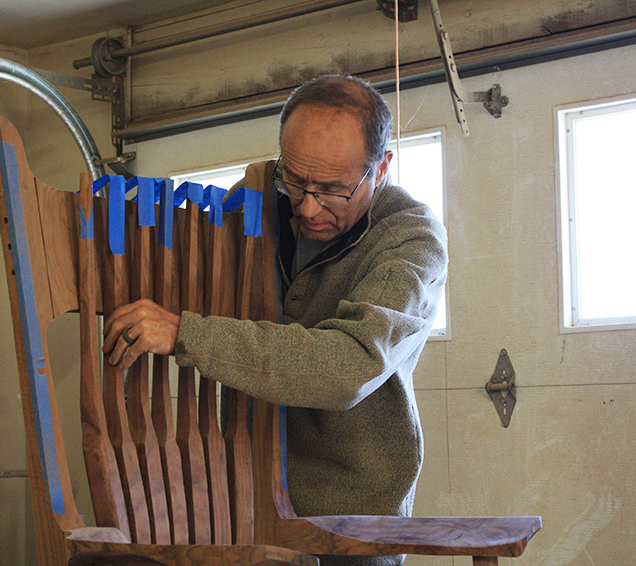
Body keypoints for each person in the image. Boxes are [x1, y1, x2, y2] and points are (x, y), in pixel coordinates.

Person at [102, 75, 448, 566]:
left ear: (381, 167)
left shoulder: (411, 241)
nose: (307, 207)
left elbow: (350, 366)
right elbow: (187, 275)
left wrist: (187, 334)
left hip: (350, 524)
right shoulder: (257, 201)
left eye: (332, 190)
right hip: (241, 506)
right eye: (296, 180)